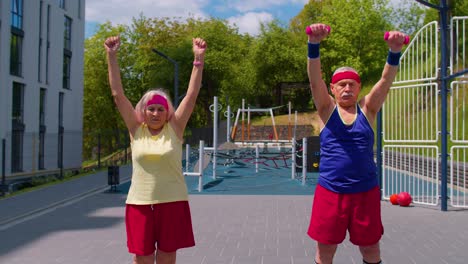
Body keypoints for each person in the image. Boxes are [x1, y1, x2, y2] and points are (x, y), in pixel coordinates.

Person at [305, 23, 407, 264]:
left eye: (352, 84)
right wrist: (314, 45)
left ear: (359, 87)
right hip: (331, 193)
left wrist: (394, 51)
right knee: (325, 252)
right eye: (342, 84)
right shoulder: (326, 109)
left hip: (365, 193)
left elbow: (385, 80)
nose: (347, 88)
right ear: (333, 88)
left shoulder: (368, 108)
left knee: (371, 251)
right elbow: (314, 80)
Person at [104, 35, 207, 264]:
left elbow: (191, 96)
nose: (155, 113)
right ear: (144, 111)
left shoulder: (175, 128)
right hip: (139, 204)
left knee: (168, 256)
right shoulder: (135, 129)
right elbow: (117, 95)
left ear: (167, 111)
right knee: (142, 256)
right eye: (151, 109)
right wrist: (112, 56)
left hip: (173, 202)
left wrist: (198, 60)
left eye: (160, 109)